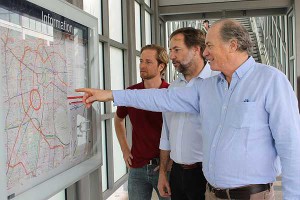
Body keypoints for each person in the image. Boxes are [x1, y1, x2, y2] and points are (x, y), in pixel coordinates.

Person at [76, 19, 300, 199]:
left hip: (252, 195)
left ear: (232, 45)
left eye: (210, 46)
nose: (206, 53)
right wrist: (111, 95)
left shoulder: (271, 81)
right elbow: (161, 98)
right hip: (212, 193)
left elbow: (291, 147)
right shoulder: (208, 87)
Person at [158, 27, 217, 200]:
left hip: (206, 175)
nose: (171, 56)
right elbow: (166, 134)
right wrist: (163, 173)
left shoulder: (216, 84)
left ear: (196, 50)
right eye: (170, 50)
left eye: (177, 50)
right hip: (177, 174)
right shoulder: (174, 87)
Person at [114, 44, 170, 200]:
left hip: (165, 167)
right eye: (141, 61)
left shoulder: (171, 93)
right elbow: (118, 120)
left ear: (161, 66)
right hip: (137, 168)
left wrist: (170, 162)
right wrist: (125, 149)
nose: (142, 66)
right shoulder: (131, 93)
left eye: (148, 62)